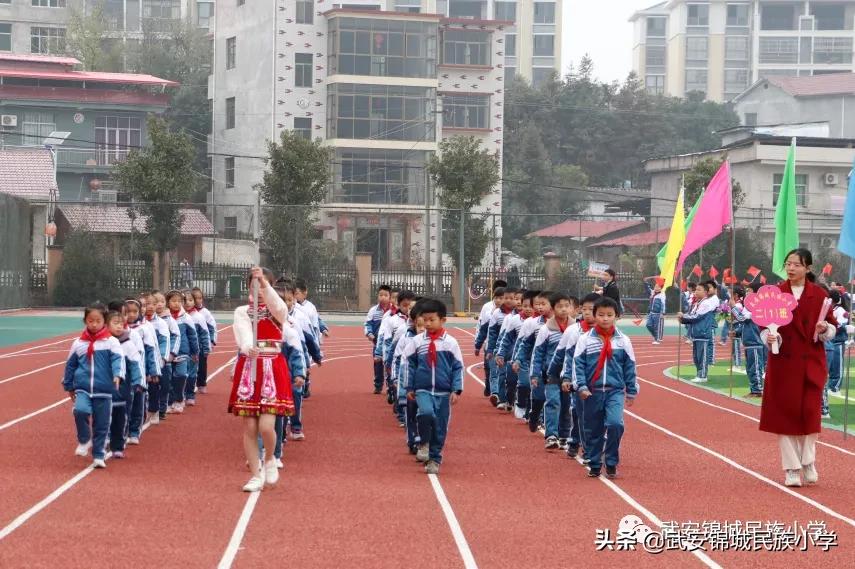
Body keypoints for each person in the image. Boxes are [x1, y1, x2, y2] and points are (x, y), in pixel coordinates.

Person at [760, 249, 837, 488]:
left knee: (810, 415)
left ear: (808, 268)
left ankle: (808, 461)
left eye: (796, 264)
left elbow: (833, 328)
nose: (791, 268)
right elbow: (765, 327)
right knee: (785, 417)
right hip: (783, 363)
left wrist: (825, 329)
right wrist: (770, 338)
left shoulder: (819, 294)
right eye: (788, 264)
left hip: (811, 362)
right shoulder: (776, 294)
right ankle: (792, 469)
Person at [228, 267, 300, 492]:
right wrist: (248, 347)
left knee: (267, 426)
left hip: (272, 366)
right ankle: (255, 474)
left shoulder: (278, 310)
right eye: (254, 284)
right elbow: (242, 333)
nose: (257, 288)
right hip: (250, 366)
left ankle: (270, 458)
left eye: (262, 284)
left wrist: (266, 285)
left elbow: (279, 309)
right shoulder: (242, 311)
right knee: (250, 426)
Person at [573, 296, 638, 479]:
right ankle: (594, 463)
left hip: (614, 391)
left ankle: (611, 461)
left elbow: (630, 366)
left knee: (615, 424)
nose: (605, 318)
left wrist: (631, 390)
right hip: (591, 392)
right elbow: (577, 365)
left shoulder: (623, 341)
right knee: (593, 430)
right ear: (595, 316)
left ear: (616, 316)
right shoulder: (585, 340)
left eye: (609, 315)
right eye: (601, 315)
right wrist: (582, 387)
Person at [402, 299, 464, 475]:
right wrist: (409, 387)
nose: (428, 324)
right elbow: (408, 363)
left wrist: (456, 389)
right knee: (426, 413)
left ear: (442, 320)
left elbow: (458, 366)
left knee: (440, 426)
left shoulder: (450, 343)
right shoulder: (417, 341)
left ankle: (435, 458)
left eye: (432, 320)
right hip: (423, 389)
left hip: (444, 392)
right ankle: (423, 441)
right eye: (425, 320)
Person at [62, 303, 124, 469]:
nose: (94, 324)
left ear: (104, 321)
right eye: (90, 320)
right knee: (80, 410)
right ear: (85, 321)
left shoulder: (111, 342)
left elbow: (118, 359)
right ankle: (84, 439)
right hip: (83, 388)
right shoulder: (79, 343)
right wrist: (68, 385)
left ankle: (98, 455)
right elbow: (70, 365)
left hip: (104, 390)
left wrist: (118, 375)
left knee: (102, 424)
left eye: (98, 320)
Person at [531, 292, 577, 451]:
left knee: (566, 405)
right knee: (553, 402)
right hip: (551, 374)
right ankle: (551, 435)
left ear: (571, 308)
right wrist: (535, 374)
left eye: (567, 306)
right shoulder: (546, 329)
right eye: (559, 306)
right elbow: (538, 353)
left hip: (569, 375)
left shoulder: (576, 328)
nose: (564, 309)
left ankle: (564, 434)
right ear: (553, 308)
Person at [559, 292, 598, 459]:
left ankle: (588, 445)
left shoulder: (609, 332)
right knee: (579, 414)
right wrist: (565, 377)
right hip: (578, 381)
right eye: (585, 309)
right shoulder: (575, 331)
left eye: (592, 309)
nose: (588, 312)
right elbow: (566, 356)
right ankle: (580, 444)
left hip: (599, 382)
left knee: (596, 416)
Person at [106, 309, 144, 459]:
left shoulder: (128, 344)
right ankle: (105, 439)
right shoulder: (103, 343)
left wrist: (138, 382)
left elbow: (136, 364)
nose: (119, 326)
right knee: (104, 415)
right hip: (105, 387)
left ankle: (118, 445)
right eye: (115, 323)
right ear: (106, 325)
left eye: (121, 324)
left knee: (122, 417)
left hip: (124, 388)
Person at [511, 290, 550, 424]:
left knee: (550, 394)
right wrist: (517, 359)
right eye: (537, 304)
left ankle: (545, 419)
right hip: (532, 362)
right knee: (531, 387)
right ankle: (527, 409)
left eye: (543, 304)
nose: (539, 307)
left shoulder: (564, 325)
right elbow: (523, 343)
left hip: (552, 365)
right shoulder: (531, 323)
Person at [125, 298, 159, 443]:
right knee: (125, 402)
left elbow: (151, 351)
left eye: (134, 311)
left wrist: (153, 371)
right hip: (123, 373)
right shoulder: (117, 329)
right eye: (127, 312)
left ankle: (134, 431)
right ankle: (122, 430)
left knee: (138, 401)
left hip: (141, 372)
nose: (131, 315)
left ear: (139, 312)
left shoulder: (143, 329)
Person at [496, 290, 536, 411]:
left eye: (531, 306)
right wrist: (501, 353)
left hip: (534, 359)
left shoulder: (541, 323)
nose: (528, 309)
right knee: (512, 381)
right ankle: (510, 400)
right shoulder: (515, 320)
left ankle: (527, 407)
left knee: (530, 384)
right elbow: (506, 339)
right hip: (516, 357)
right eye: (525, 306)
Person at [294, 278, 328, 399]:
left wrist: (323, 329)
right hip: (298, 341)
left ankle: (306, 384)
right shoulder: (293, 308)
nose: (295, 296)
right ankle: (302, 387)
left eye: (297, 293)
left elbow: (317, 319)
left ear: (305, 293)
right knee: (301, 364)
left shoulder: (310, 307)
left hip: (311, 339)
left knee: (306, 365)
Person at [166, 289, 198, 414]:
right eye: (173, 301)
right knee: (168, 379)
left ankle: (179, 400)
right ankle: (169, 401)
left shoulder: (186, 318)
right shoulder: (164, 318)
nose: (176, 303)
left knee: (180, 375)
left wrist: (195, 352)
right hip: (167, 355)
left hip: (183, 353)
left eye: (179, 301)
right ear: (168, 302)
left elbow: (193, 336)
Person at [729, 285, 764, 397]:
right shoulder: (748, 306)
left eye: (749, 290)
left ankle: (758, 390)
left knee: (755, 368)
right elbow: (745, 324)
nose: (746, 293)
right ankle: (753, 389)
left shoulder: (757, 307)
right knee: (750, 369)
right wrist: (737, 332)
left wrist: (733, 307)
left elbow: (742, 318)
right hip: (748, 343)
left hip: (755, 342)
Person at [678, 283, 716, 383]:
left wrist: (683, 317)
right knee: (696, 357)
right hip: (696, 334)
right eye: (696, 290)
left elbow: (697, 317)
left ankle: (703, 375)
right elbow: (691, 316)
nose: (696, 291)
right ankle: (699, 374)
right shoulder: (697, 304)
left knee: (702, 356)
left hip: (702, 333)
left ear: (706, 292)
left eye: (699, 290)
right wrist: (682, 319)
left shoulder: (706, 303)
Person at [142, 292, 169, 425]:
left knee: (154, 386)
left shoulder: (160, 323)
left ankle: (155, 411)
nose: (151, 307)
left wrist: (162, 359)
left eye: (153, 304)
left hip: (154, 360)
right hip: (140, 360)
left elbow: (165, 341)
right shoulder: (138, 323)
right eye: (147, 304)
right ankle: (140, 413)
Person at [475, 281, 507, 396]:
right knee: (490, 369)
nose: (499, 300)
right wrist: (478, 343)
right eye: (497, 297)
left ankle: (500, 393)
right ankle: (493, 391)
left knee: (502, 372)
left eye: (502, 297)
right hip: (490, 344)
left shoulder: (511, 314)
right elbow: (482, 326)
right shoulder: (487, 307)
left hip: (505, 347)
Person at [153, 291, 180, 421]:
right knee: (151, 385)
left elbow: (176, 336)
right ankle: (152, 407)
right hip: (151, 360)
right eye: (155, 302)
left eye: (162, 302)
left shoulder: (169, 320)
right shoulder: (146, 320)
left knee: (165, 385)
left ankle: (162, 409)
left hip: (165, 360)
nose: (159, 305)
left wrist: (171, 354)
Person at [183, 291, 211, 407]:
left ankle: (190, 395)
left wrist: (206, 348)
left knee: (191, 374)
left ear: (194, 302)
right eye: (185, 301)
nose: (187, 303)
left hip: (195, 351)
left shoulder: (199, 317)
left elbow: (204, 334)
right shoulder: (179, 317)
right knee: (181, 374)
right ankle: (179, 395)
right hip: (182, 351)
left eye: (190, 300)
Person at [365, 284, 392, 394]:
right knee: (377, 364)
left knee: (389, 364)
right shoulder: (373, 310)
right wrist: (369, 333)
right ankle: (378, 385)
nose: (383, 297)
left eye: (385, 295)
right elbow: (368, 324)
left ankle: (391, 386)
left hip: (389, 343)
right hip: (378, 343)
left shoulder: (393, 311)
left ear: (390, 297)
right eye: (380, 295)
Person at [191, 287, 217, 394]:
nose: (198, 300)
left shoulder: (205, 312)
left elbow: (212, 327)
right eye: (195, 298)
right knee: (191, 367)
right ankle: (189, 386)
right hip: (191, 346)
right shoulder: (187, 313)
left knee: (202, 366)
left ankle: (202, 384)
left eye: (200, 298)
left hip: (201, 345)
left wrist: (212, 341)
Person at [644, 278, 666, 345]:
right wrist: (645, 282)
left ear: (660, 288)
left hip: (658, 314)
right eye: (655, 286)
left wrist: (663, 313)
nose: (656, 288)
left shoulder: (662, 294)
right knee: (648, 325)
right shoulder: (653, 292)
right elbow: (648, 289)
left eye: (657, 287)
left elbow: (663, 304)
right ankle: (656, 336)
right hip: (651, 313)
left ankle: (657, 339)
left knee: (657, 327)